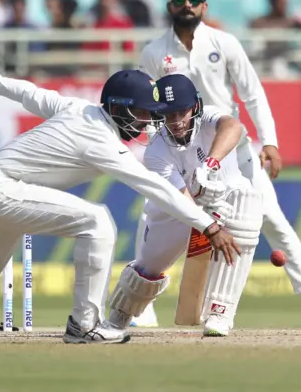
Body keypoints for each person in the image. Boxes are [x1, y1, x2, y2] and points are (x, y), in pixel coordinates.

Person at [0, 67, 240, 344]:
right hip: (2, 189)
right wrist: (209, 226)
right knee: (97, 221)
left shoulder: (79, 108)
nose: (147, 124)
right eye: (141, 114)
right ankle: (84, 325)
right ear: (118, 108)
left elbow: (29, 93)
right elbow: (159, 189)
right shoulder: (100, 140)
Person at [132, 0, 301, 327]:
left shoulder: (224, 42)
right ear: (169, 5)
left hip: (230, 147)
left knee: (272, 218)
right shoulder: (154, 53)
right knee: (154, 212)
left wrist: (271, 141)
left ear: (205, 6)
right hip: (180, 149)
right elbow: (150, 107)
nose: (187, 5)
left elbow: (252, 93)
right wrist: (163, 148)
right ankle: (144, 301)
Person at [108, 74, 263, 337]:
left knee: (244, 199)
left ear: (195, 107)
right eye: (168, 115)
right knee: (149, 266)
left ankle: (220, 312)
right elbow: (183, 202)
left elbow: (233, 127)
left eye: (181, 112)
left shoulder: (209, 118)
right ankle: (119, 315)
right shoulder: (156, 151)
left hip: (223, 199)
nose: (176, 122)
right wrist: (210, 227)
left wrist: (210, 164)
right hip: (178, 208)